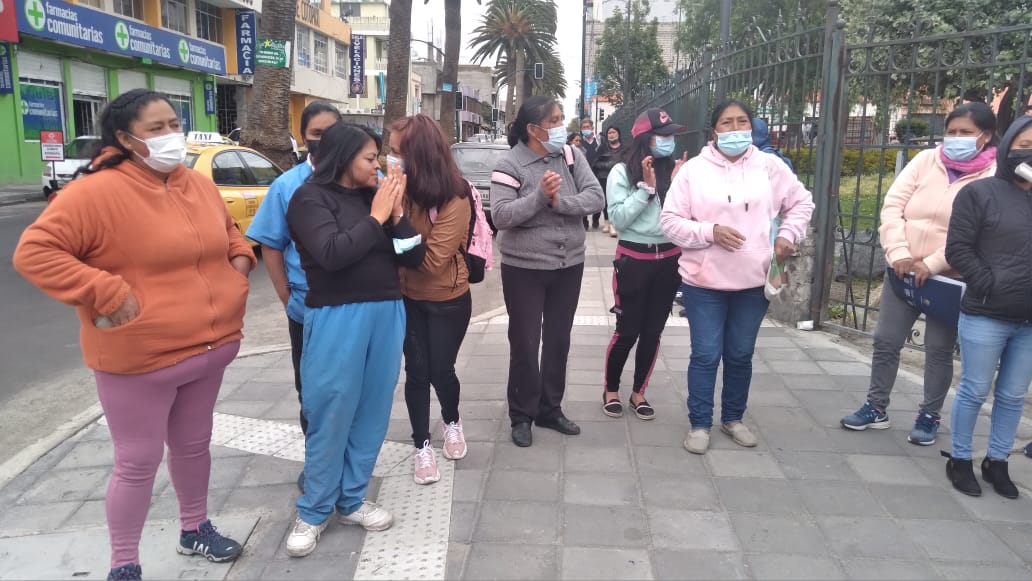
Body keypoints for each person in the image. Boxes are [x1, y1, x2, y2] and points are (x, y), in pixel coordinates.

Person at [13, 89, 255, 581]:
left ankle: (195, 528)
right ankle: (124, 562)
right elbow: (35, 252)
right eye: (156, 128)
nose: (171, 136)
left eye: (174, 123)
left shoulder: (197, 184)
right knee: (137, 464)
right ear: (126, 139)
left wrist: (239, 264)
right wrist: (101, 288)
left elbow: (230, 232)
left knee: (193, 447)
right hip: (141, 358)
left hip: (210, 348)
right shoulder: (96, 192)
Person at [283, 123, 426, 556]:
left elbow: (415, 256)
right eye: (369, 157)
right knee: (331, 408)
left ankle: (351, 498)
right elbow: (332, 254)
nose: (378, 165)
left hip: (387, 311)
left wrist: (397, 218)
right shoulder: (309, 198)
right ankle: (313, 510)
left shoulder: (377, 198)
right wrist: (378, 217)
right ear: (344, 158)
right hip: (336, 314)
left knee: (372, 408)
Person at [660, 100, 814, 455]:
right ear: (714, 132)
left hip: (753, 282)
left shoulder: (769, 167)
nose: (735, 129)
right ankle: (699, 423)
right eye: (727, 124)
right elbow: (670, 222)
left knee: (740, 353)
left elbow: (802, 202)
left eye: (742, 122)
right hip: (704, 282)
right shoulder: (694, 171)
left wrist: (788, 236)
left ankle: (732, 418)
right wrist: (710, 231)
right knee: (706, 354)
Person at [841, 103, 999, 445]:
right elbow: (893, 206)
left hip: (948, 278)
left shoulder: (992, 177)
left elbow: (979, 232)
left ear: (986, 137)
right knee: (886, 341)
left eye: (966, 133)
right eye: (951, 131)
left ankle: (929, 415)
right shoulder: (926, 161)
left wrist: (933, 264)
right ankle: (876, 407)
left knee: (939, 350)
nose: (955, 139)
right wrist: (899, 253)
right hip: (902, 269)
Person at [491, 96, 606, 447]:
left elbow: (596, 198)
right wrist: (540, 196)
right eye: (554, 120)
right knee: (525, 342)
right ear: (533, 129)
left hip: (568, 264)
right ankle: (521, 414)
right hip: (524, 268)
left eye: (561, 118)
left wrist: (560, 203)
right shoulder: (510, 164)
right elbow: (501, 215)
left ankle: (550, 408)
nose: (561, 126)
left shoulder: (571, 156)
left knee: (558, 340)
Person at [245, 101, 342, 492]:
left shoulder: (366, 178)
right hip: (309, 308)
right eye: (317, 134)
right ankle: (317, 462)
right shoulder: (287, 186)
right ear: (303, 137)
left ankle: (349, 456)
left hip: (357, 308)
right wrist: (286, 296)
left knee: (352, 385)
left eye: (331, 132)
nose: (324, 141)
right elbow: (270, 245)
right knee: (313, 388)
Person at [942, 114, 1032, 499]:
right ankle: (960, 459)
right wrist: (989, 285)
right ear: (1008, 144)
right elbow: (958, 249)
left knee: (1013, 395)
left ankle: (997, 461)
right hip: (986, 312)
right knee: (975, 389)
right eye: (1025, 144)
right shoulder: (979, 194)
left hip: (1028, 320)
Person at [388, 114, 473, 485]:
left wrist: (393, 219)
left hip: (448, 298)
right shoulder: (394, 189)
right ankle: (421, 444)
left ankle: (452, 422)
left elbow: (433, 261)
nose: (387, 160)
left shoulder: (455, 195)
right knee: (417, 373)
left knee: (442, 370)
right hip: (407, 298)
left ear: (418, 155)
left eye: (395, 152)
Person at [602, 108, 687, 420]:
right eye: (662, 135)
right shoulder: (622, 173)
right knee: (628, 330)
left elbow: (684, 216)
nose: (668, 141)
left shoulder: (675, 170)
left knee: (653, 330)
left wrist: (676, 185)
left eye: (671, 135)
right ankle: (611, 389)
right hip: (633, 260)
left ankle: (639, 392)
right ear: (644, 138)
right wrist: (646, 189)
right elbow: (620, 219)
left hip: (669, 259)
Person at [594, 126, 626, 234]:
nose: (611, 135)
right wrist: (608, 165)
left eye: (614, 132)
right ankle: (608, 222)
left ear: (619, 134)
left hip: (621, 177)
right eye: (609, 133)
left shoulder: (625, 148)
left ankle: (615, 222)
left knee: (618, 198)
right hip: (604, 177)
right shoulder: (602, 148)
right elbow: (595, 163)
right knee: (607, 200)